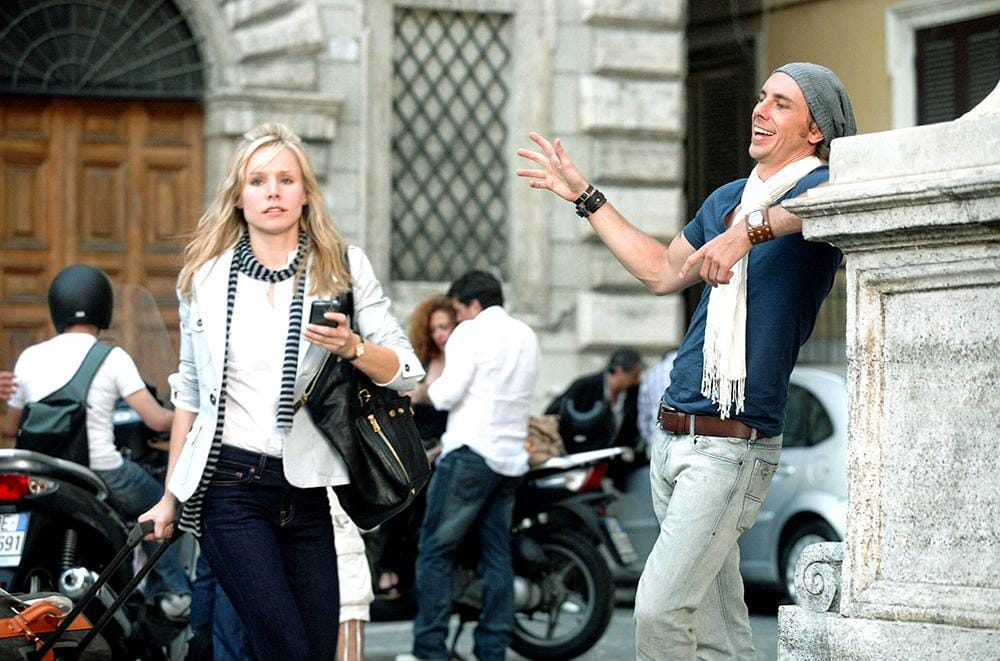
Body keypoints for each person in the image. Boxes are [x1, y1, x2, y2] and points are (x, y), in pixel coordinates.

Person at [518, 62, 855, 660]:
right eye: (762, 97)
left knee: (658, 610)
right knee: (717, 632)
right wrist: (586, 198)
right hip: (673, 434)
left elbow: (843, 198)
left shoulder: (824, 190)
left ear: (815, 132)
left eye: (782, 103)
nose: (760, 109)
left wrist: (747, 232)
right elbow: (659, 272)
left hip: (733, 444)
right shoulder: (727, 198)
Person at [140, 122, 424, 660]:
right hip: (228, 487)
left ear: (305, 194)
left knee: (314, 650)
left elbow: (408, 371)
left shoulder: (343, 268)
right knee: (283, 646)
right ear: (238, 197)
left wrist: (352, 347)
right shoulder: (203, 277)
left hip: (307, 489)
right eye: (258, 181)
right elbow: (191, 395)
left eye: (286, 180)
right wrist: (170, 497)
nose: (273, 191)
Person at [2, 265, 191, 618]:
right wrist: (188, 412)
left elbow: (12, 426)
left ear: (56, 307)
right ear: (103, 307)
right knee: (160, 504)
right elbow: (155, 419)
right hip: (100, 470)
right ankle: (173, 592)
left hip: (44, 472)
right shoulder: (111, 357)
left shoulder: (29, 357)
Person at [400, 271, 540, 661]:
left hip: (470, 454)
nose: (457, 318)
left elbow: (447, 395)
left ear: (473, 304)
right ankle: (491, 650)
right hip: (510, 460)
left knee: (434, 551)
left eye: (459, 310)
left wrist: (424, 391)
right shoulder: (526, 335)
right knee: (497, 555)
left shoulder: (471, 332)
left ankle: (429, 650)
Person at [375, 294, 456, 601]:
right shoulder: (422, 361)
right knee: (395, 505)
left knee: (424, 514)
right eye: (434, 328)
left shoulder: (462, 361)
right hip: (414, 448)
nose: (439, 334)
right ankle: (388, 571)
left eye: (445, 327)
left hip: (444, 451)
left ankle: (409, 579)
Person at [545, 347, 643, 451]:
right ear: (619, 371)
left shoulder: (634, 392)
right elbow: (552, 413)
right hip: (580, 453)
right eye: (634, 375)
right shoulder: (585, 386)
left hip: (614, 455)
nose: (637, 380)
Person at [637, 349, 677, 445]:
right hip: (684, 443)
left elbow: (644, 417)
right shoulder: (693, 369)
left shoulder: (652, 374)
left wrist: (649, 440)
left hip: (656, 440)